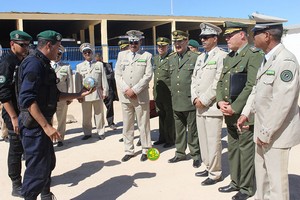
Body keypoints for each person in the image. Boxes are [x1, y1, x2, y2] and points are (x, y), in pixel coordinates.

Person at [18, 30, 95, 200]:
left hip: (42, 125)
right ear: (48, 45)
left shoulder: (44, 64)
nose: (59, 51)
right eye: (58, 47)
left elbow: (54, 95)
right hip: (35, 126)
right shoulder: (34, 65)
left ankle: (46, 195)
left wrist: (77, 95)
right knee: (36, 169)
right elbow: (27, 99)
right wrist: (46, 127)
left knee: (47, 164)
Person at [237, 13, 300, 200]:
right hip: (263, 130)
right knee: (262, 177)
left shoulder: (285, 61)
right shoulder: (267, 58)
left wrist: (266, 132)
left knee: (276, 184)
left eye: (254, 32)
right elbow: (257, 90)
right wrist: (246, 113)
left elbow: (282, 103)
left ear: (267, 36)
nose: (251, 36)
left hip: (275, 133)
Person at [216, 22, 263, 200]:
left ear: (242, 35)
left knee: (245, 150)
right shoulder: (228, 57)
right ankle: (235, 182)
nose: (226, 39)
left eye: (230, 35)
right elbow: (220, 82)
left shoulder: (253, 55)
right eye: (226, 36)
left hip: (244, 113)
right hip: (228, 112)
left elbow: (252, 85)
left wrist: (235, 107)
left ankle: (246, 187)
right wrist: (220, 101)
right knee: (234, 149)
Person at [191, 23, 227, 185]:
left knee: (213, 141)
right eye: (201, 38)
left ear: (215, 38)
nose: (203, 40)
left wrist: (204, 100)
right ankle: (208, 166)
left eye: (206, 37)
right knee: (204, 141)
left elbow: (218, 82)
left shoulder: (222, 56)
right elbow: (194, 80)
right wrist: (194, 98)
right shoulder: (200, 57)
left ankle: (215, 173)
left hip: (211, 107)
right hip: (199, 106)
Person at [0, 30, 32, 197]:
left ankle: (30, 179)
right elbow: (3, 93)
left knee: (28, 147)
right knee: (16, 148)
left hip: (26, 111)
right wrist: (13, 117)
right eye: (22, 45)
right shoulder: (7, 62)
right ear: (12, 44)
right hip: (14, 113)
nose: (26, 47)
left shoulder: (25, 59)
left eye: (27, 45)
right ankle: (16, 183)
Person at [115, 30, 153, 162]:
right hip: (126, 96)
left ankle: (146, 149)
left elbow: (148, 75)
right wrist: (126, 89)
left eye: (136, 42)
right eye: (131, 42)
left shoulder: (147, 56)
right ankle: (129, 150)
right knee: (127, 124)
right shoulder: (121, 55)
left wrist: (135, 90)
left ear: (140, 42)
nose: (133, 44)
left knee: (143, 124)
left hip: (140, 96)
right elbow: (118, 74)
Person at [167, 30, 201, 168]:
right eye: (175, 42)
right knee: (179, 130)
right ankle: (180, 153)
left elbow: (198, 80)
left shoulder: (195, 57)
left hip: (189, 100)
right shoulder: (171, 58)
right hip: (176, 100)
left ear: (187, 41)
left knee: (192, 131)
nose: (177, 44)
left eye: (180, 41)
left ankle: (195, 155)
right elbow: (171, 79)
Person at [75, 43, 109, 140]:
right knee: (86, 115)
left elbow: (103, 79)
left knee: (99, 114)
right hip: (85, 94)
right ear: (83, 54)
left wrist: (105, 91)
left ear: (92, 52)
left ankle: (101, 131)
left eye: (89, 52)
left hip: (97, 93)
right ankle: (87, 132)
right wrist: (78, 95)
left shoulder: (99, 65)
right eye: (85, 52)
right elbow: (77, 82)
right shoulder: (79, 66)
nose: (87, 54)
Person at [152, 37, 175, 148]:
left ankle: (170, 139)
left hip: (168, 93)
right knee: (160, 115)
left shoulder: (171, 58)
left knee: (169, 117)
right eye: (159, 46)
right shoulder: (155, 59)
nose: (161, 48)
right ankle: (162, 137)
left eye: (163, 46)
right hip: (158, 93)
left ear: (168, 47)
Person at [50, 45, 73, 147]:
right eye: (56, 53)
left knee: (61, 118)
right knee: (48, 118)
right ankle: (49, 138)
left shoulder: (66, 67)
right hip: (48, 98)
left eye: (59, 54)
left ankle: (60, 138)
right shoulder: (46, 65)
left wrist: (70, 97)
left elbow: (70, 83)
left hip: (62, 97)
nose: (57, 56)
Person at [95, 53, 118, 130]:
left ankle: (111, 123)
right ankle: (98, 125)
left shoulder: (107, 65)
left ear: (102, 59)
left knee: (110, 107)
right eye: (97, 60)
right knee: (97, 109)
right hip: (97, 90)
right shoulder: (94, 67)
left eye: (100, 60)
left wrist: (103, 77)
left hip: (108, 89)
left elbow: (111, 75)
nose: (99, 62)